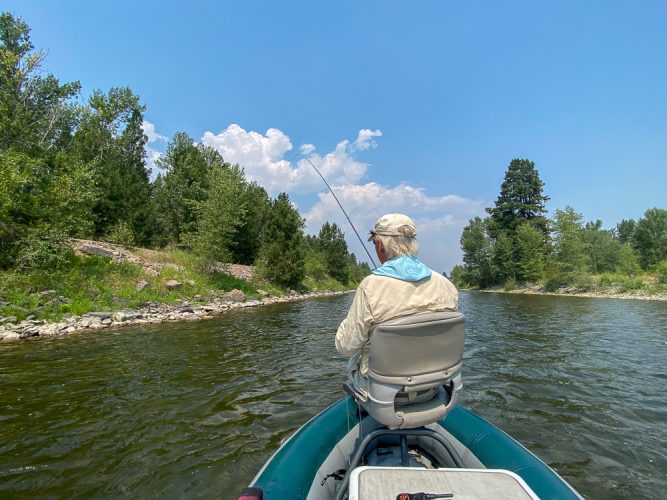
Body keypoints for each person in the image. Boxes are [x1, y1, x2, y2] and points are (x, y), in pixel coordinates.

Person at [335, 213, 458, 393]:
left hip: (384, 394)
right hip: (433, 386)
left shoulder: (370, 286)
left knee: (354, 359)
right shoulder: (447, 285)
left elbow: (346, 347)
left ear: (380, 245)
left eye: (374, 242)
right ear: (412, 244)